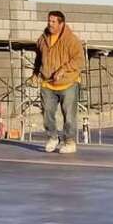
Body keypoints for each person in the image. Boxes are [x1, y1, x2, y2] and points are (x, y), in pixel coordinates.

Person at [34, 9, 84, 153]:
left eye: (53, 21)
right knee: (47, 113)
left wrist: (63, 69)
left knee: (68, 115)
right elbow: (39, 58)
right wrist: (35, 73)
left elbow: (80, 60)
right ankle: (52, 137)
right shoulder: (42, 39)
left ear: (61, 24)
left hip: (68, 83)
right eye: (49, 21)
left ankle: (69, 142)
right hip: (47, 83)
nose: (50, 24)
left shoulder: (72, 40)